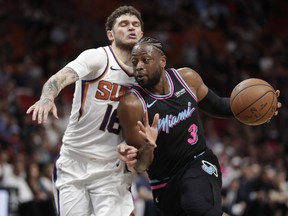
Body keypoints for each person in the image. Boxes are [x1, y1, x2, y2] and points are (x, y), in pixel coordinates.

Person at [117, 37, 281, 216]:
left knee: (195, 205)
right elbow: (140, 166)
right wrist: (148, 147)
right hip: (164, 183)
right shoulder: (131, 105)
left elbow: (217, 105)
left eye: (145, 60)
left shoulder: (187, 78)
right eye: (134, 62)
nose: (139, 66)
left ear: (162, 61)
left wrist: (259, 109)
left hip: (199, 161)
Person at [26, 5, 143, 216]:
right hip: (74, 162)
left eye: (135, 24)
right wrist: (46, 97)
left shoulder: (145, 74)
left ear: (142, 33)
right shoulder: (97, 57)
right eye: (124, 24)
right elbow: (59, 78)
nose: (131, 28)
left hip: (112, 168)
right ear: (110, 34)